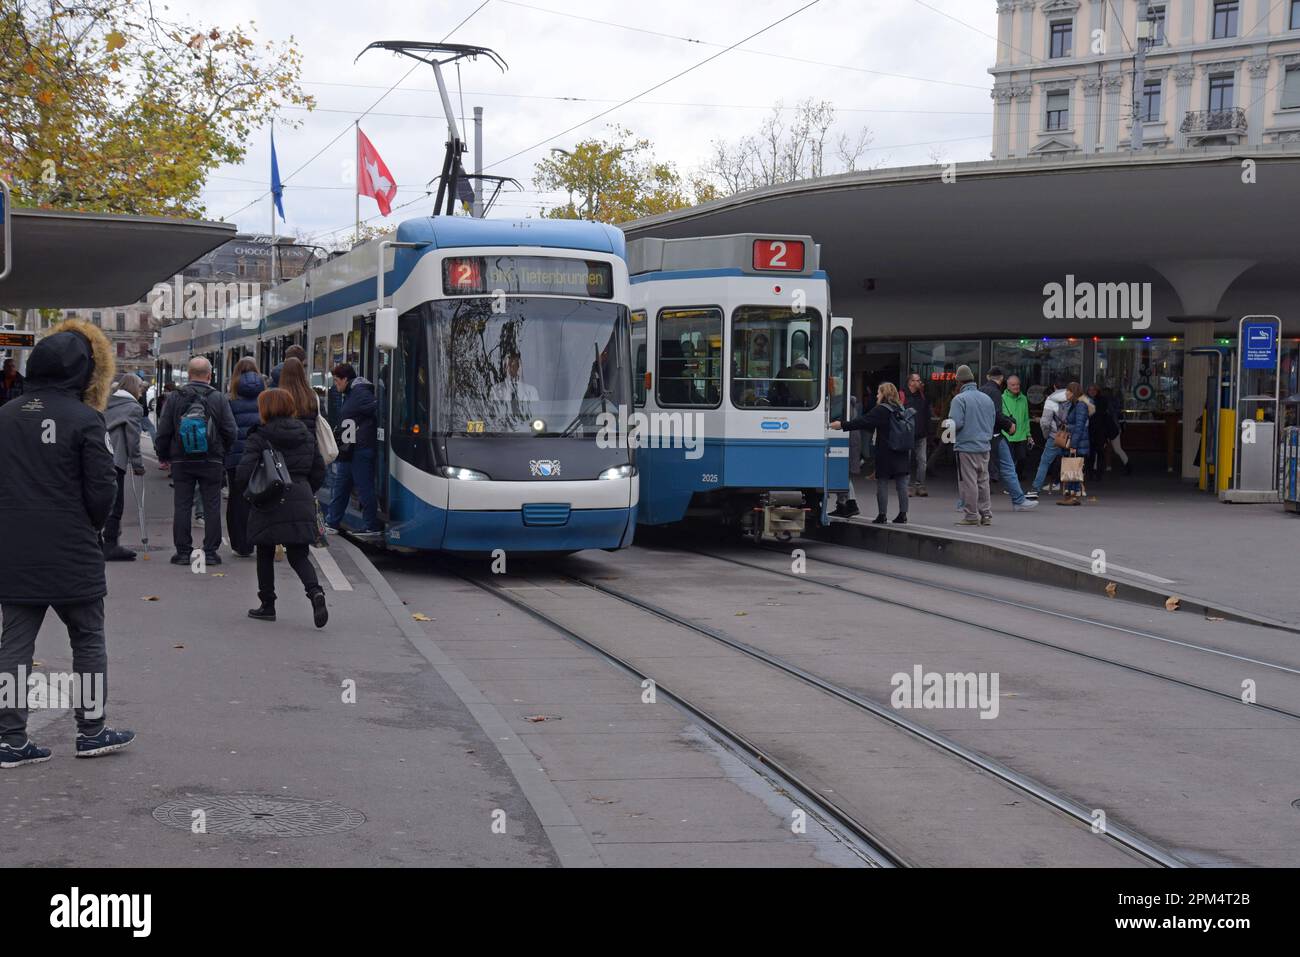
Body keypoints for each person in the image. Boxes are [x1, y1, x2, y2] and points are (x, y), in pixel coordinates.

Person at [0, 317, 135, 767]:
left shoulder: (4, 417)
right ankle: (92, 730)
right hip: (72, 548)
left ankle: (11, 738)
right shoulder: (85, 419)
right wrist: (90, 525)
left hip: (14, 548)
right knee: (88, 639)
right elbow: (102, 490)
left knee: (15, 644)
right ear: (83, 372)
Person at [235, 388, 328, 628]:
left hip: (269, 499)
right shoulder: (306, 435)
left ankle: (268, 605)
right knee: (299, 554)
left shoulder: (260, 436)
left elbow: (243, 472)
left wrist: (250, 494)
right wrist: (306, 489)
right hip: (300, 495)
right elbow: (319, 470)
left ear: (265, 409)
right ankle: (315, 592)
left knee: (265, 552)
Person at [155, 356, 237, 566]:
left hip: (182, 460)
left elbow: (163, 431)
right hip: (212, 460)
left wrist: (164, 455)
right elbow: (231, 431)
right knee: (212, 505)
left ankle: (183, 552)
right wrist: (222, 452)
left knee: (182, 505)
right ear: (209, 376)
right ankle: (210, 552)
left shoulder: (175, 398)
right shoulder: (218, 398)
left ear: (189, 374)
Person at [831, 382, 913, 524]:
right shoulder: (900, 408)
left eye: (878, 392)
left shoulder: (881, 409)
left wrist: (842, 425)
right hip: (902, 451)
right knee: (902, 484)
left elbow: (863, 421)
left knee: (882, 483)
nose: (876, 395)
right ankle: (903, 514)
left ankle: (882, 515)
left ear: (884, 394)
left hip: (886, 451)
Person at [326, 363, 381, 532]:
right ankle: (332, 522)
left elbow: (375, 408)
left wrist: (362, 431)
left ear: (345, 379)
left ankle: (372, 525)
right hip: (350, 449)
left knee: (364, 488)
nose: (336, 385)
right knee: (341, 486)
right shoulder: (352, 393)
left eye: (337, 381)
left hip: (360, 449)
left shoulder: (360, 393)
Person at [102, 374, 146, 561]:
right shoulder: (133, 408)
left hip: (98, 455)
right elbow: (133, 439)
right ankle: (111, 545)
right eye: (141, 388)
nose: (142, 392)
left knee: (100, 499)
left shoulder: (106, 402)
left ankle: (97, 542)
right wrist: (138, 465)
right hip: (116, 459)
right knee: (116, 503)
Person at [946, 364, 996, 526]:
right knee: (983, 480)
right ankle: (986, 514)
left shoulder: (959, 399)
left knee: (969, 482)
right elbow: (993, 420)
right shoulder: (986, 398)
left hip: (966, 446)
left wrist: (947, 430)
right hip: (984, 445)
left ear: (959, 382)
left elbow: (955, 423)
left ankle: (971, 515)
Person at [981, 367, 1037, 512]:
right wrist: (1009, 425)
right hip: (997, 436)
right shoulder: (996, 393)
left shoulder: (980, 391)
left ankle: (964, 502)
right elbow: (997, 414)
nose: (1016, 387)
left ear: (988, 376)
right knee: (1008, 467)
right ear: (1001, 379)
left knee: (976, 470)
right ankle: (1018, 501)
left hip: (982, 436)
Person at [225, 357, 265, 557]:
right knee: (262, 498)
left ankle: (241, 544)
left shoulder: (229, 398)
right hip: (260, 457)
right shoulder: (266, 396)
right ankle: (261, 540)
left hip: (235, 459)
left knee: (237, 499)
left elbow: (227, 429)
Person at [1028, 378, 1071, 499]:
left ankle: (1035, 489)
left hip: (1055, 436)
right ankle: (1070, 489)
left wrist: (1047, 435)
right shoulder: (1074, 398)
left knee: (1044, 462)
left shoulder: (1051, 399)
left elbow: (1045, 422)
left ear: (1054, 386)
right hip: (1071, 436)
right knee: (1069, 461)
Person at [1058, 382, 1091, 506]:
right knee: (1071, 468)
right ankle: (1070, 495)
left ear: (1074, 393)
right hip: (1075, 440)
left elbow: (1080, 426)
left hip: (1077, 442)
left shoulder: (1080, 405)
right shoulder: (1074, 405)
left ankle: (1074, 494)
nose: (1066, 393)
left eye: (1068, 391)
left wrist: (1074, 444)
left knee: (1074, 468)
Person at [831, 394, 863, 517]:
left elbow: (837, 419)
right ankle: (843, 504)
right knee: (843, 473)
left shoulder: (842, 403)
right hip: (852, 439)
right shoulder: (848, 403)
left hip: (847, 439)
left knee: (843, 473)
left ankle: (850, 504)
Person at [1003, 375, 1034, 482]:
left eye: (1018, 384)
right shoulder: (1002, 398)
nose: (1016, 387)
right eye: (1013, 385)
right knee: (1009, 461)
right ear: (1008, 386)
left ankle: (1018, 477)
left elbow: (1026, 418)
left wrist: (1028, 434)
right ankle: (1011, 481)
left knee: (1022, 459)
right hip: (1008, 435)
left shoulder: (1024, 398)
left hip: (1021, 435)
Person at [904, 372, 931, 497]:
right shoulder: (903, 395)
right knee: (907, 460)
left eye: (919, 380)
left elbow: (927, 415)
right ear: (910, 382)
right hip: (907, 433)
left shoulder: (923, 396)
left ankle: (920, 485)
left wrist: (928, 431)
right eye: (916, 380)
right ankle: (908, 486)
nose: (919, 382)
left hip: (921, 433)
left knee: (922, 461)